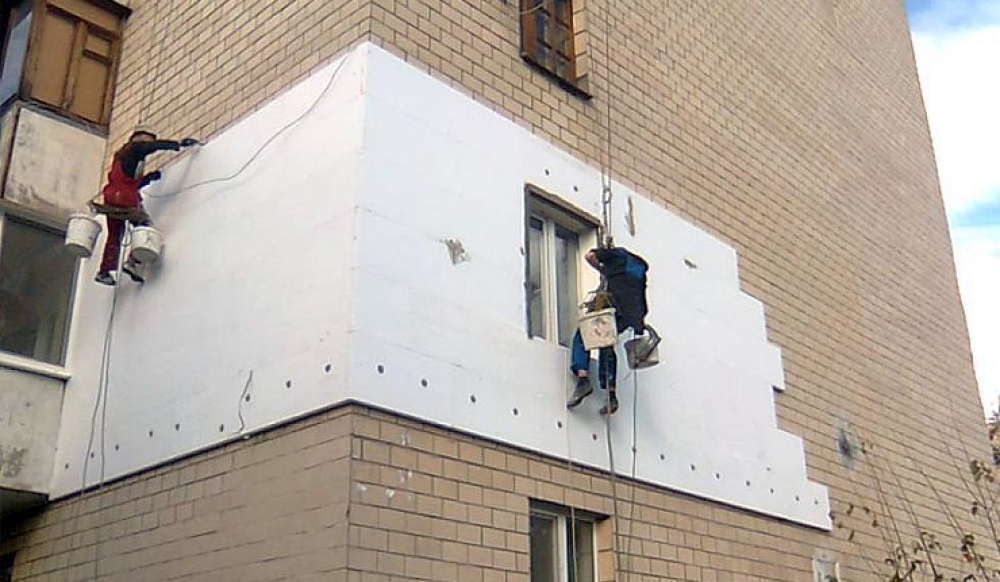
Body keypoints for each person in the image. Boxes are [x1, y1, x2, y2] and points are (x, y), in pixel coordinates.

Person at [94, 130, 199, 285]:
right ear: (138, 138)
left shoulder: (122, 158)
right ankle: (133, 261)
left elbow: (130, 183)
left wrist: (149, 178)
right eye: (147, 140)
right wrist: (178, 144)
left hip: (111, 200)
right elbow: (151, 147)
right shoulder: (134, 148)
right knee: (145, 227)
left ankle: (104, 272)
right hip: (125, 199)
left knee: (114, 236)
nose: (149, 143)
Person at [566, 243, 658, 415]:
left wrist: (603, 269)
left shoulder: (616, 254)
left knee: (583, 335)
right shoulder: (640, 269)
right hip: (630, 316)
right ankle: (611, 394)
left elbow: (589, 256)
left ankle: (583, 379)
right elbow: (642, 301)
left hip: (612, 306)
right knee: (606, 344)